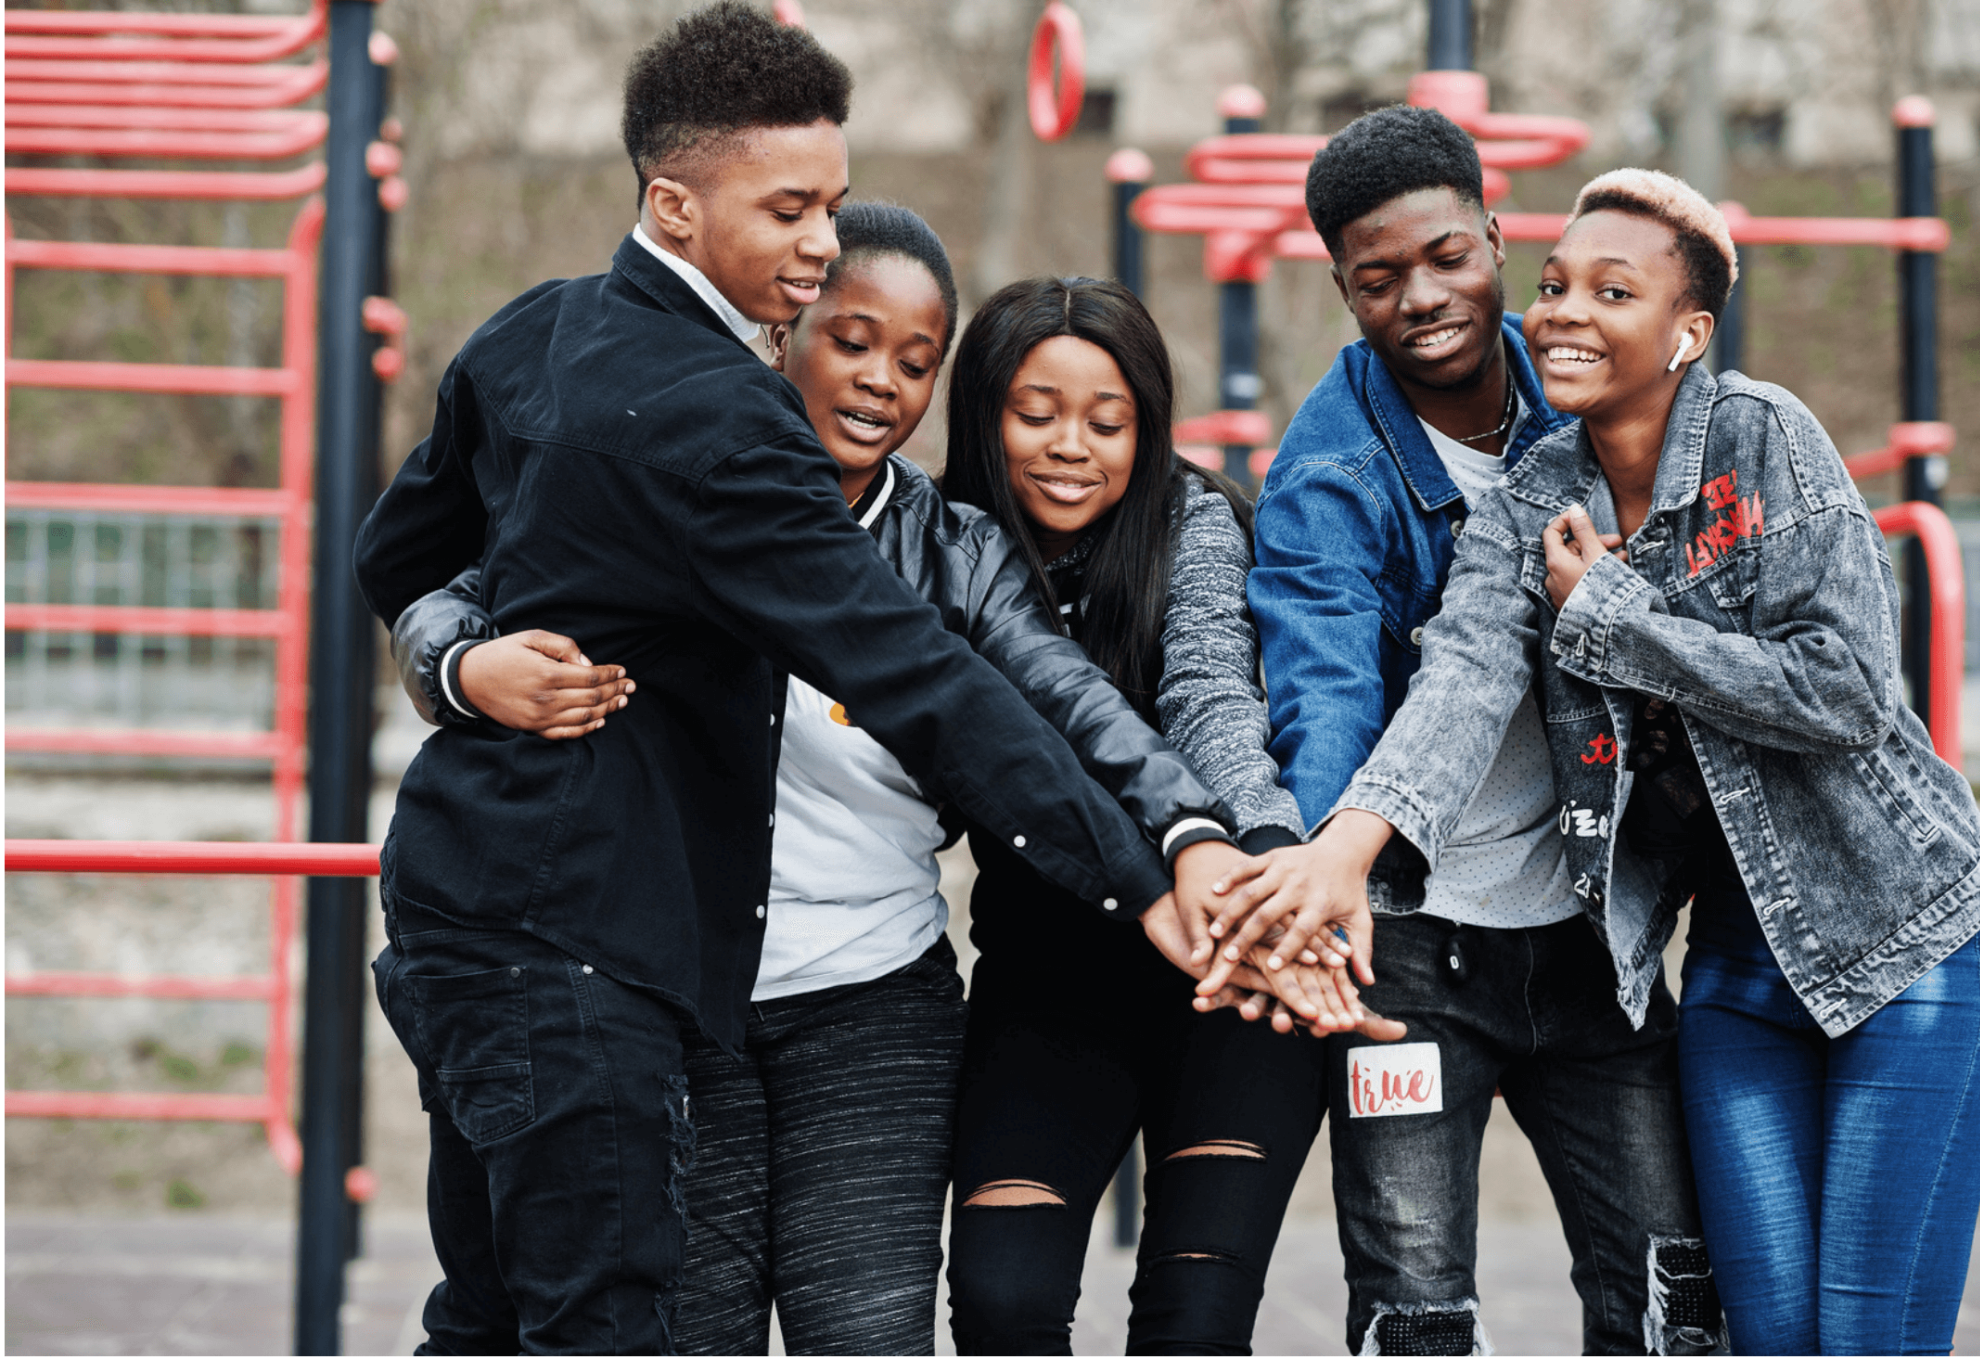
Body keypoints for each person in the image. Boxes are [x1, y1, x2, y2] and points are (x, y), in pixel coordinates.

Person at [352, 10, 1295, 1352]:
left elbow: (398, 549)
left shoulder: (533, 332)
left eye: (831, 205)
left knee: (491, 1307)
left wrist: (453, 655)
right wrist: (1146, 880)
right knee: (596, 1319)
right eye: (788, 209)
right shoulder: (731, 428)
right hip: (575, 952)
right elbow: (921, 677)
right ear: (672, 203)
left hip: (460, 913)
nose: (816, 241)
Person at [1224, 167, 1980, 1357]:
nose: (1559, 314)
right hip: (1732, 971)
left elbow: (1845, 691)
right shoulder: (1536, 492)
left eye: (1611, 290)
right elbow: (1465, 670)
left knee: (1860, 1334)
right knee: (1755, 1330)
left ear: (1685, 331)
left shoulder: (1763, 439)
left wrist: (1612, 614)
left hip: (1900, 936)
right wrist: (1344, 846)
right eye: (1552, 287)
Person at [1215, 108, 1723, 1356]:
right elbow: (1324, 686)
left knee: (1674, 1296)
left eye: (1446, 256)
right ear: (1341, 287)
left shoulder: (1588, 388)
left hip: (1587, 933)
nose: (1422, 297)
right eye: (1378, 280)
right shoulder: (1327, 481)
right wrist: (1333, 860)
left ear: (1496, 236)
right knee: (1414, 1314)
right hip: (1411, 953)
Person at [938, 276, 1392, 1359]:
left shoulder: (1194, 522)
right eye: (1034, 412)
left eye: (1108, 421)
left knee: (1193, 1326)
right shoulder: (938, 547)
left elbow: (1209, 702)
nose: (1070, 447)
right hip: (1047, 980)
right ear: (981, 413)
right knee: (1001, 1309)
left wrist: (1273, 861)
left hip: (1232, 974)